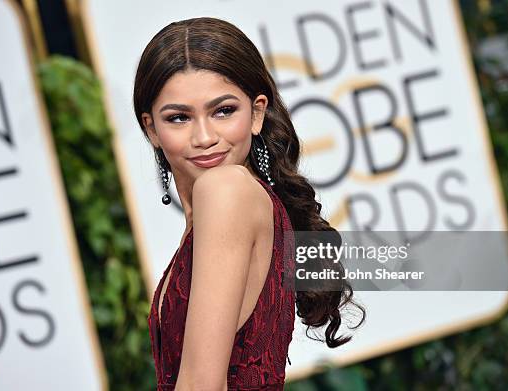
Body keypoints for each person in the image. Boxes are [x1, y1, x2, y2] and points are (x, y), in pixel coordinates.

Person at [133, 16, 365, 390]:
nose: (205, 136)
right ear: (151, 129)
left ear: (257, 112)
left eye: (223, 111)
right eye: (179, 118)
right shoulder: (237, 202)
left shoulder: (227, 191)